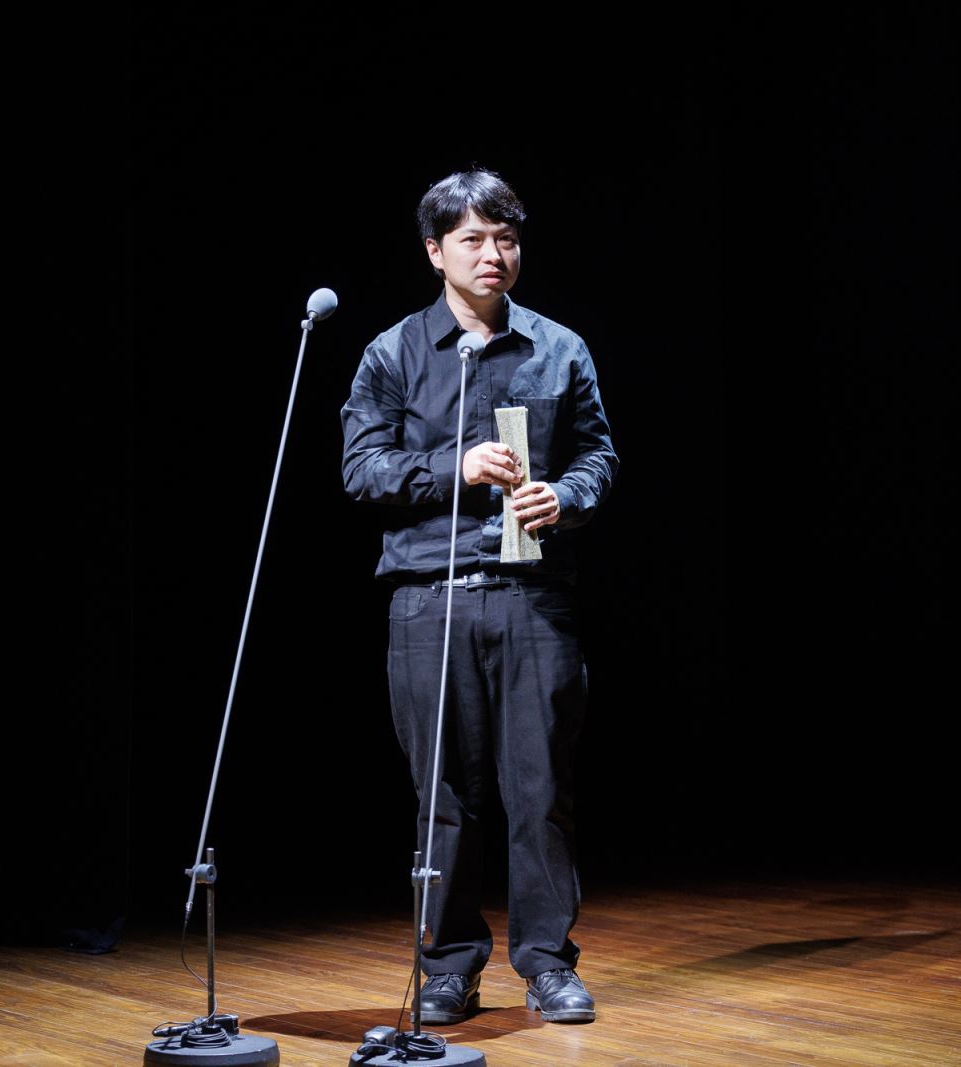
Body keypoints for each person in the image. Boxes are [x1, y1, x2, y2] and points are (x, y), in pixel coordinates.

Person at [340, 169, 618, 1025]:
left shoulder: (559, 348)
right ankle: (449, 966)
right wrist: (452, 468)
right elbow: (362, 469)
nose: (494, 254)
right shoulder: (394, 352)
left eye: (507, 238)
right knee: (444, 798)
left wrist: (566, 495)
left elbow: (598, 455)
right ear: (436, 252)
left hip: (532, 597)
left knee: (541, 792)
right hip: (430, 599)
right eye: (473, 239)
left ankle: (548, 964)